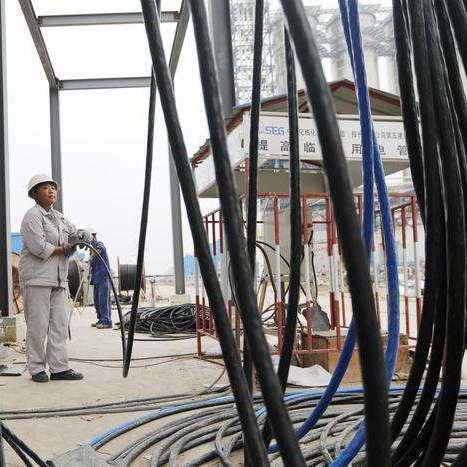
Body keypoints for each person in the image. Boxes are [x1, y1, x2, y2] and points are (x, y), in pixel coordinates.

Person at [19, 174, 85, 383]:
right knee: (37, 326)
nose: (51, 190)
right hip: (37, 279)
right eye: (45, 187)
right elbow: (38, 248)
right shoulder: (32, 216)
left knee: (59, 325)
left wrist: (83, 235)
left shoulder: (60, 218)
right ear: (34, 194)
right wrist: (65, 249)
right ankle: (36, 368)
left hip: (58, 279)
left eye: (53, 187)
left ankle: (59, 368)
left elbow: (73, 234)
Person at [89, 229, 113, 329]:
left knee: (103, 300)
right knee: (97, 301)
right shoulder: (90, 249)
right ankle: (101, 319)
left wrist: (92, 255)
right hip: (96, 278)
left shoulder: (98, 244)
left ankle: (106, 321)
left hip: (103, 277)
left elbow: (99, 250)